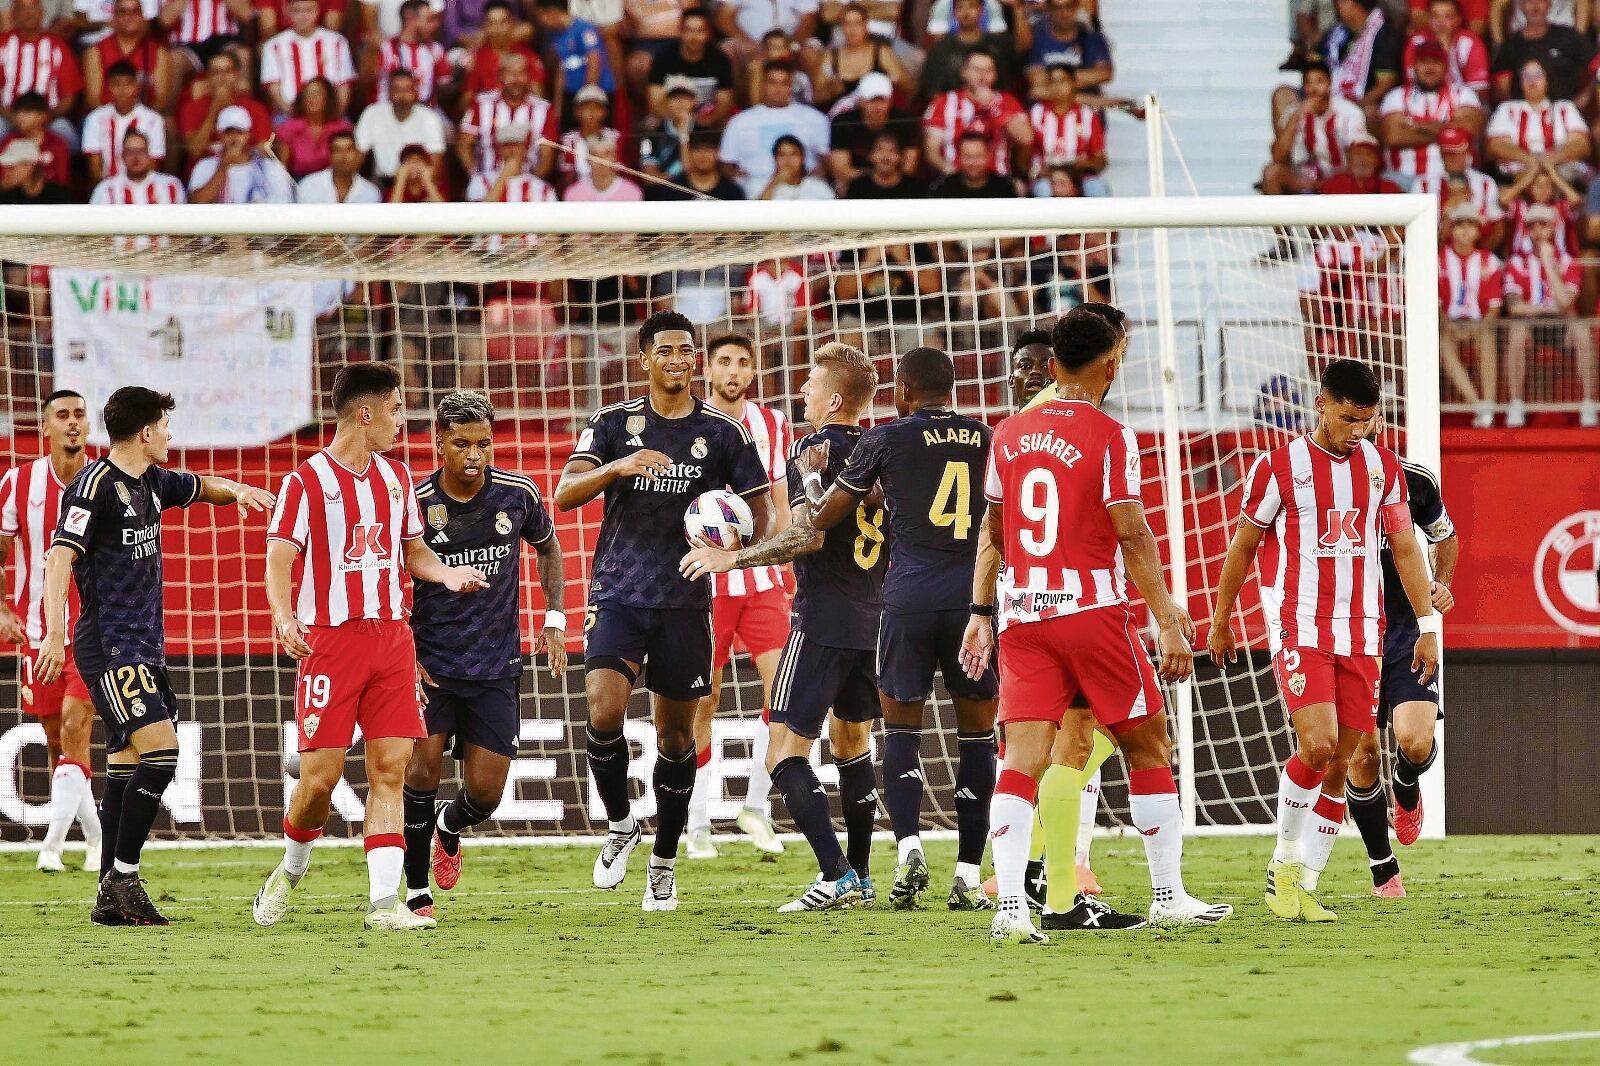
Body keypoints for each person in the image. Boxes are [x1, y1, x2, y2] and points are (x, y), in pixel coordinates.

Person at [963, 308, 1231, 944]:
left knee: (1022, 759)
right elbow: (1132, 533)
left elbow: (995, 536)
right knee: (1148, 745)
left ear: (1051, 367)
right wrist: (1167, 619)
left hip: (1023, 616)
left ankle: (1010, 910)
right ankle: (1167, 896)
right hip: (1092, 616)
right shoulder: (1111, 436)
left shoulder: (1007, 436)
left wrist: (981, 611)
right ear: (1112, 366)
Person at [252, 363, 488, 932]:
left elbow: (412, 553)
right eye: (397, 409)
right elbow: (279, 560)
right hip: (330, 642)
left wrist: (449, 575)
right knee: (320, 780)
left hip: (391, 639)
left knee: (390, 770)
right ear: (366, 413)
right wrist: (284, 617)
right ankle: (291, 869)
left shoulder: (399, 479)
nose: (403, 422)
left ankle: (385, 905)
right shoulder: (305, 483)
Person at [553, 312, 776, 912]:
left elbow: (766, 514)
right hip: (619, 592)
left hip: (684, 603)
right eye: (668, 351)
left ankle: (664, 861)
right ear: (645, 360)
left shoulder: (723, 432)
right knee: (603, 710)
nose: (680, 359)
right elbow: (563, 495)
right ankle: (621, 824)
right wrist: (617, 467)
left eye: (687, 350)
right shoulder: (612, 424)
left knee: (677, 738)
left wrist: (734, 549)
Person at [1209, 359, 1443, 923]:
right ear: (1321, 404)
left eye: (1367, 420)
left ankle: (1305, 882)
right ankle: (1283, 865)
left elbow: (1409, 550)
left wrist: (1428, 627)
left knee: (1342, 761)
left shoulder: (1383, 468)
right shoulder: (1279, 466)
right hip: (1301, 625)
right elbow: (1242, 546)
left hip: (1365, 629)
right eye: (1347, 418)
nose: (1357, 430)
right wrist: (1221, 618)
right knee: (1317, 745)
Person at [37, 387, 274, 924]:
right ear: (145, 433)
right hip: (112, 647)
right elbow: (58, 560)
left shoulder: (151, 481)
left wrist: (239, 491)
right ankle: (123, 875)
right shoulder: (94, 486)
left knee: (125, 764)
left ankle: (108, 896)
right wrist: (54, 635)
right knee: (163, 753)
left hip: (144, 647)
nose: (171, 435)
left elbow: (200, 488)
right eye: (165, 426)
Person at [679, 343, 884, 910]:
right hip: (873, 619)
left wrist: (733, 559)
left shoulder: (812, 449)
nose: (803, 392)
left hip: (821, 620)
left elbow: (806, 535)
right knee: (853, 745)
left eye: (812, 385)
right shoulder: (878, 449)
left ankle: (834, 874)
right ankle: (862, 876)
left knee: (783, 752)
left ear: (835, 398)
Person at [802, 347, 997, 911]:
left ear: (903, 390)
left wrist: (816, 483)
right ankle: (966, 872)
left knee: (903, 729)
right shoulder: (986, 438)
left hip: (907, 599)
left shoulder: (884, 438)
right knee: (977, 735)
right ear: (952, 390)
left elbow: (825, 517)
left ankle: (909, 846)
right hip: (971, 600)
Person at [400, 391, 568, 919]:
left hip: (495, 667)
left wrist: (554, 618)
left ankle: (450, 828)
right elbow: (385, 574)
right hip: (432, 665)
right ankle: (416, 892)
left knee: (486, 794)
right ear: (439, 444)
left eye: (484, 444)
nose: (475, 455)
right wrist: (404, 651)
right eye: (462, 444)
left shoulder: (517, 495)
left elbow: (549, 547)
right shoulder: (417, 501)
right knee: (420, 773)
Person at [679, 334, 793, 861]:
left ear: (752, 373)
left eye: (743, 363)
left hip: (762, 580)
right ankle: (697, 823)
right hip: (709, 585)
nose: (734, 370)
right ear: (709, 369)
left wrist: (786, 560)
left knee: (786, 695)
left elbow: (780, 498)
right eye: (725, 361)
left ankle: (757, 807)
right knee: (707, 699)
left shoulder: (772, 425)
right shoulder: (692, 423)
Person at [0, 390, 102, 874]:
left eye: (80, 414)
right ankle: (97, 839)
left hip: (94, 633)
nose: (73, 422)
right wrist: (2, 607)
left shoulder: (107, 480)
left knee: (76, 725)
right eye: (62, 415)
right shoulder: (18, 483)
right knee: (59, 744)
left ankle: (51, 847)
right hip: (38, 634)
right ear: (45, 428)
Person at [1347, 459, 1459, 897]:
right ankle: (1383, 868)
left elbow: (1444, 536)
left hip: (1406, 633)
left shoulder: (1413, 480)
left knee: (1414, 741)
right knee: (1362, 758)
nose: (1362, 426)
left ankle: (1407, 782)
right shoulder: (1311, 478)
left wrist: (1442, 583)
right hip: (1349, 637)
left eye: (1369, 414)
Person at [1501, 203, 1597, 427]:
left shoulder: (1569, 262)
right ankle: (1516, 404)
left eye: (1543, 225)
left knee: (1582, 332)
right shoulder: (1516, 263)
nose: (1538, 231)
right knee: (1516, 332)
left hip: (1562, 325)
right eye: (1532, 226)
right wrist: (1547, 308)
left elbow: (1566, 302)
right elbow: (1515, 307)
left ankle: (1589, 403)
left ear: (1554, 228)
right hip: (1531, 325)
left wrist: (1547, 263)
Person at [1377, 37, 1484, 187]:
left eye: (1436, 62)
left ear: (1445, 67)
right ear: (1414, 67)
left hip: (1453, 179)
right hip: (1403, 178)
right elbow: (1393, 136)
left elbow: (1468, 130)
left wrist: (1415, 125)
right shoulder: (1396, 96)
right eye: (1424, 62)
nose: (1429, 68)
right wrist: (1448, 132)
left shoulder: (1463, 94)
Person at [719, 61, 829, 197]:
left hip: (802, 186)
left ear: (792, 85)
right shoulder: (740, 121)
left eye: (784, 83)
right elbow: (726, 164)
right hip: (756, 185)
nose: (778, 88)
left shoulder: (814, 118)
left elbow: (825, 160)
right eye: (772, 82)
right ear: (763, 84)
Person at [1437, 205, 1502, 426]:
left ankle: (1489, 405)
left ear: (1478, 231)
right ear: (1451, 230)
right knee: (1444, 345)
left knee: (1487, 339)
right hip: (1447, 323)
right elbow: (1435, 304)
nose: (1465, 230)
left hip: (1478, 322)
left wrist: (1480, 327)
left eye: (1471, 225)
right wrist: (1448, 325)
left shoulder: (1489, 260)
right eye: (1460, 225)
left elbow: (1494, 306)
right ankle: (1477, 405)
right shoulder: (1437, 259)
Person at [1263, 63, 1368, 200]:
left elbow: (1358, 158)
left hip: (1340, 176)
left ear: (1329, 83)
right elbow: (1278, 157)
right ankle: (1280, 221)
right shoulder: (1294, 113)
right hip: (1305, 178)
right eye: (1308, 83)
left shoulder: (1349, 112)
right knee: (1272, 173)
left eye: (1319, 82)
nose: (1313, 89)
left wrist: (1326, 182)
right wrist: (1296, 118)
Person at [923, 47, 1031, 180]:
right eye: (976, 70)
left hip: (998, 180)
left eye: (988, 71)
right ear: (964, 72)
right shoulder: (943, 103)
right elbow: (931, 149)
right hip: (956, 178)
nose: (982, 76)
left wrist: (992, 106)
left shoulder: (1008, 101)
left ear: (995, 75)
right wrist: (948, 169)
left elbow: (1026, 138)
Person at [1484, 59, 1589, 185]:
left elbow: (1581, 144)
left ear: (1547, 80)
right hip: (1518, 176)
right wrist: (1531, 160)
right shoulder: (1507, 109)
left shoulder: (1565, 108)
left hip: (1562, 175)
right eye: (1526, 76)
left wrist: (1551, 159)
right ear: (1520, 82)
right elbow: (1495, 146)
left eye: (1538, 75)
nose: (1532, 81)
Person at [458, 52, 558, 181]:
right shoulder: (481, 103)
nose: (516, 79)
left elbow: (547, 158)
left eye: (521, 73)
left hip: (527, 180)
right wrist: (476, 177)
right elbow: (464, 145)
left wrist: (532, 183)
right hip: (487, 179)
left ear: (528, 77)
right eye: (510, 74)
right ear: (500, 76)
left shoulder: (544, 109)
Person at [0, 0, 82, 147]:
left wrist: (43, 118)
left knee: (66, 134)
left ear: (42, 12)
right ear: (13, 14)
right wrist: (14, 118)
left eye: (33, 7)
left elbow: (69, 96)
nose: (28, 13)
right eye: (22, 8)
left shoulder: (58, 46)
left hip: (49, 118)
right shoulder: (2, 45)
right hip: (8, 117)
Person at [260, 0, 355, 119]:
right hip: (289, 116)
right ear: (287, 11)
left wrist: (334, 116)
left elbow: (344, 86)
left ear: (317, 10)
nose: (303, 16)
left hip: (331, 116)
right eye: (297, 11)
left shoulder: (338, 42)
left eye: (309, 10)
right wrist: (295, 116)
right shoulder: (273, 45)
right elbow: (273, 89)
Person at [827, 71, 918, 190]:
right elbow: (841, 171)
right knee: (841, 186)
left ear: (890, 101)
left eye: (882, 100)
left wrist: (884, 180)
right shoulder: (843, 122)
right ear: (860, 101)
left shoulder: (905, 122)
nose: (877, 107)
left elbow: (908, 168)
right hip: (856, 185)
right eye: (871, 101)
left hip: (896, 185)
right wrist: (877, 178)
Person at [1489, 0, 1593, 104]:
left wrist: (1582, 100)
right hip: (1524, 114)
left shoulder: (1569, 37)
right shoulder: (1509, 47)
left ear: (1549, 5)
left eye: (1540, 1)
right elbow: (1502, 91)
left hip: (1564, 114)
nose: (1535, 7)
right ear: (1521, 6)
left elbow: (1597, 67)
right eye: (1529, 2)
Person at [187, 105, 296, 204]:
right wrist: (223, 167)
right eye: (228, 132)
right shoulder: (205, 166)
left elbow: (283, 207)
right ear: (220, 135)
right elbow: (196, 202)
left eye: (239, 132)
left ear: (248, 134)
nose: (234, 137)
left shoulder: (271, 168)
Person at [82, 0, 174, 114]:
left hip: (145, 120)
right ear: (114, 18)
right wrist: (118, 120)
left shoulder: (159, 52)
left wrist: (139, 118)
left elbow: (161, 98)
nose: (129, 17)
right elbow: (93, 99)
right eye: (123, 12)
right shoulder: (95, 52)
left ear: (142, 17)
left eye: (134, 12)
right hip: (105, 119)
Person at [177, 49, 269, 162]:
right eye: (216, 72)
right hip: (206, 170)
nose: (222, 78)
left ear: (237, 76)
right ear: (208, 77)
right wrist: (214, 109)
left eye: (228, 71)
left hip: (244, 167)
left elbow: (262, 150)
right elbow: (195, 151)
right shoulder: (192, 108)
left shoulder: (255, 108)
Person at [355, 68, 447, 182]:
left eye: (408, 90)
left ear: (416, 92)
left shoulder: (430, 118)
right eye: (397, 89)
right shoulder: (372, 113)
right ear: (389, 92)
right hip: (383, 181)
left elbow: (436, 164)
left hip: (418, 182)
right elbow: (357, 156)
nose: (402, 95)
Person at [646, 8, 735, 124]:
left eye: (700, 31)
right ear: (680, 31)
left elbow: (724, 102)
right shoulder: (664, 58)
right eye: (688, 30)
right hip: (670, 120)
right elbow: (655, 102)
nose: (693, 37)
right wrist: (678, 120)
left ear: (707, 34)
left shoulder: (720, 60)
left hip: (707, 120)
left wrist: (704, 121)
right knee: (651, 122)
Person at [1028, 64, 1106, 196]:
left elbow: (1101, 161)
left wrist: (1082, 165)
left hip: (1080, 176)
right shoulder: (1035, 113)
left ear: (1074, 83)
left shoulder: (1087, 115)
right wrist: (1038, 171)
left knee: (1096, 188)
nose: (1057, 87)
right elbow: (1023, 159)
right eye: (1051, 82)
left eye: (1062, 81)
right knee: (1043, 190)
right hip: (1046, 176)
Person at [1315, 0, 1402, 119]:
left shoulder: (1383, 34)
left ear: (1360, 4)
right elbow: (1315, 64)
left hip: (1361, 103)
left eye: (1344, 2)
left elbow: (1386, 83)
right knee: (1283, 93)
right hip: (1325, 97)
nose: (1338, 5)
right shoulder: (1336, 32)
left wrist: (1354, 106)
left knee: (1369, 112)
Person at [81, 60, 164, 183]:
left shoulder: (153, 120)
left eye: (128, 84)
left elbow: (153, 164)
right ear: (108, 87)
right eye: (116, 84)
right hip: (107, 188)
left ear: (136, 86)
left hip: (141, 187)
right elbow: (95, 169)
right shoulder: (94, 119)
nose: (122, 90)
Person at [920, 0, 1023, 99]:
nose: (966, 12)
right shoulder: (940, 50)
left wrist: (1017, 8)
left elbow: (1023, 49)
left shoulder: (1000, 45)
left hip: (997, 109)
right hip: (955, 111)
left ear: (981, 10)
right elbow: (934, 92)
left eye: (972, 6)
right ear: (954, 12)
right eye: (960, 7)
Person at [1025, 0, 1111, 100]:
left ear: (1076, 7)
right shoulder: (1037, 35)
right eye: (1057, 8)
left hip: (1087, 109)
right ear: (1048, 9)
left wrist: (1056, 82)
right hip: (1048, 110)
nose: (1064, 13)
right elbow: (1037, 84)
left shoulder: (1090, 35)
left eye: (1069, 7)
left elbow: (1104, 74)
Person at [376, 0, 452, 107]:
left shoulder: (435, 50)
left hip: (426, 115)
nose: (435, 25)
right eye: (429, 20)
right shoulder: (385, 49)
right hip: (389, 114)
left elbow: (446, 88)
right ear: (410, 19)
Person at [274, 77, 353, 179]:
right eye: (308, 94)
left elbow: (347, 165)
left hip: (333, 182)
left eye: (317, 94)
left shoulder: (341, 128)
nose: (312, 98)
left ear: (327, 98)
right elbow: (282, 168)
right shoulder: (290, 127)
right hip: (299, 182)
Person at [1403, 0, 1488, 93]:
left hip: (1462, 102)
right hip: (1423, 100)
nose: (1441, 22)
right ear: (1428, 19)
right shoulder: (1416, 42)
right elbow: (1413, 84)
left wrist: (1446, 54)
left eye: (1448, 17)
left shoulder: (1470, 43)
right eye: (1435, 16)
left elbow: (1480, 91)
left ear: (1458, 20)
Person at [646, 124, 746, 200]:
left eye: (708, 150)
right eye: (697, 150)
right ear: (688, 153)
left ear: (718, 153)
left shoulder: (732, 192)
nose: (703, 155)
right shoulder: (672, 189)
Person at [90, 128, 185, 203]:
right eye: (130, 152)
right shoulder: (105, 189)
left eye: (141, 151)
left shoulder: (171, 186)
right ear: (122, 156)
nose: (135, 157)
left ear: (149, 155)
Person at [295, 130, 381, 204]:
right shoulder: (309, 185)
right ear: (330, 155)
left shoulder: (370, 192)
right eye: (337, 150)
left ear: (357, 154)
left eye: (349, 149)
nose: (343, 156)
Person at [930, 130, 1017, 197]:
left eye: (978, 156)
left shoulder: (1004, 187)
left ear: (988, 156)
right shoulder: (944, 187)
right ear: (959, 157)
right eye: (968, 156)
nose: (973, 163)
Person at [561, 131, 643, 200]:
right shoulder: (573, 194)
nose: (601, 160)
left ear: (615, 158)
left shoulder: (632, 193)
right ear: (587, 159)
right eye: (595, 154)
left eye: (606, 154)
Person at [844, 129, 925, 197]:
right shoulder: (858, 186)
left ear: (901, 157)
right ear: (870, 156)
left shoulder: (914, 187)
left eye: (892, 150)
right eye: (880, 150)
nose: (886, 157)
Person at [759, 132, 834, 199]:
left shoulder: (819, 187)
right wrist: (775, 182)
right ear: (775, 159)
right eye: (782, 155)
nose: (788, 160)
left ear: (802, 158)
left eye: (794, 154)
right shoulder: (763, 186)